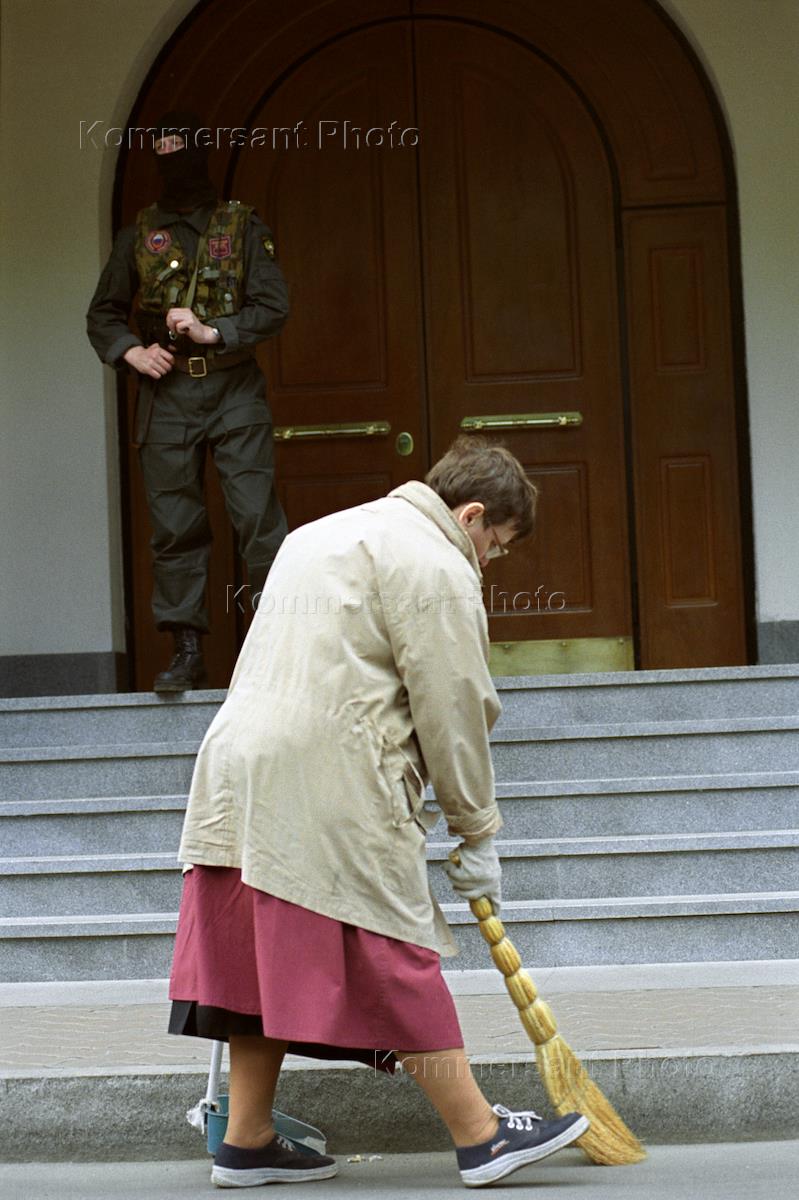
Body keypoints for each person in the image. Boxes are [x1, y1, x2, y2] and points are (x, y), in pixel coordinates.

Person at [166, 437, 589, 1188]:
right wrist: (476, 828)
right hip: (332, 773)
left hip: (234, 766)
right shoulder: (436, 565)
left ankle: (247, 1139)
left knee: (253, 959)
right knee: (393, 951)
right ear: (471, 515)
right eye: (496, 544)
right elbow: (453, 707)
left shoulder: (316, 534)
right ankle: (482, 1136)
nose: (490, 561)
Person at [86, 112, 289, 692]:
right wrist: (132, 352)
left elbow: (274, 306)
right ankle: (186, 652)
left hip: (233, 389)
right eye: (163, 151)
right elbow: (103, 314)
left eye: (183, 149)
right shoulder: (139, 234)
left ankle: (279, 642)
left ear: (202, 152)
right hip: (167, 395)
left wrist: (213, 331)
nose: (174, 162)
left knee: (257, 519)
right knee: (175, 527)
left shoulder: (241, 226)